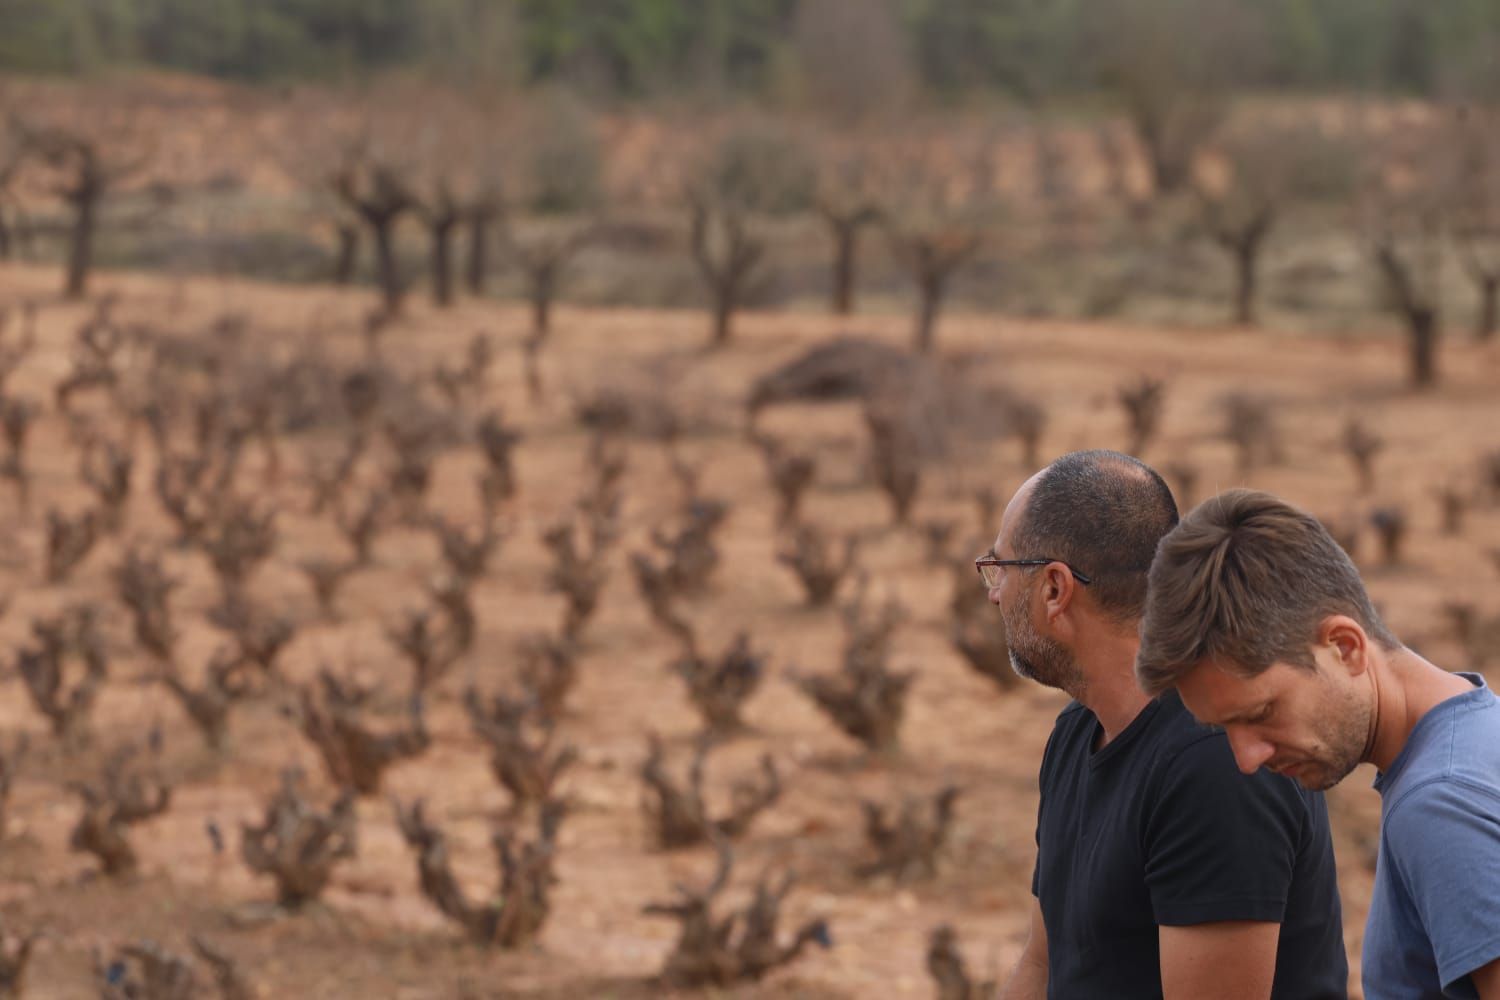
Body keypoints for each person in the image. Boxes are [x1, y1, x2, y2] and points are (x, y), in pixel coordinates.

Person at [984, 452, 1346, 999]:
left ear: (1055, 589)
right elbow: (1042, 967)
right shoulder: (1077, 731)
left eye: (1001, 568)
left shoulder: (1215, 764)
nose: (993, 592)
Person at [1136, 487, 1500, 999]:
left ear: (1344, 647)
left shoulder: (1439, 803)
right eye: (1224, 730)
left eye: (1262, 712)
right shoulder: (1480, 738)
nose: (1246, 759)